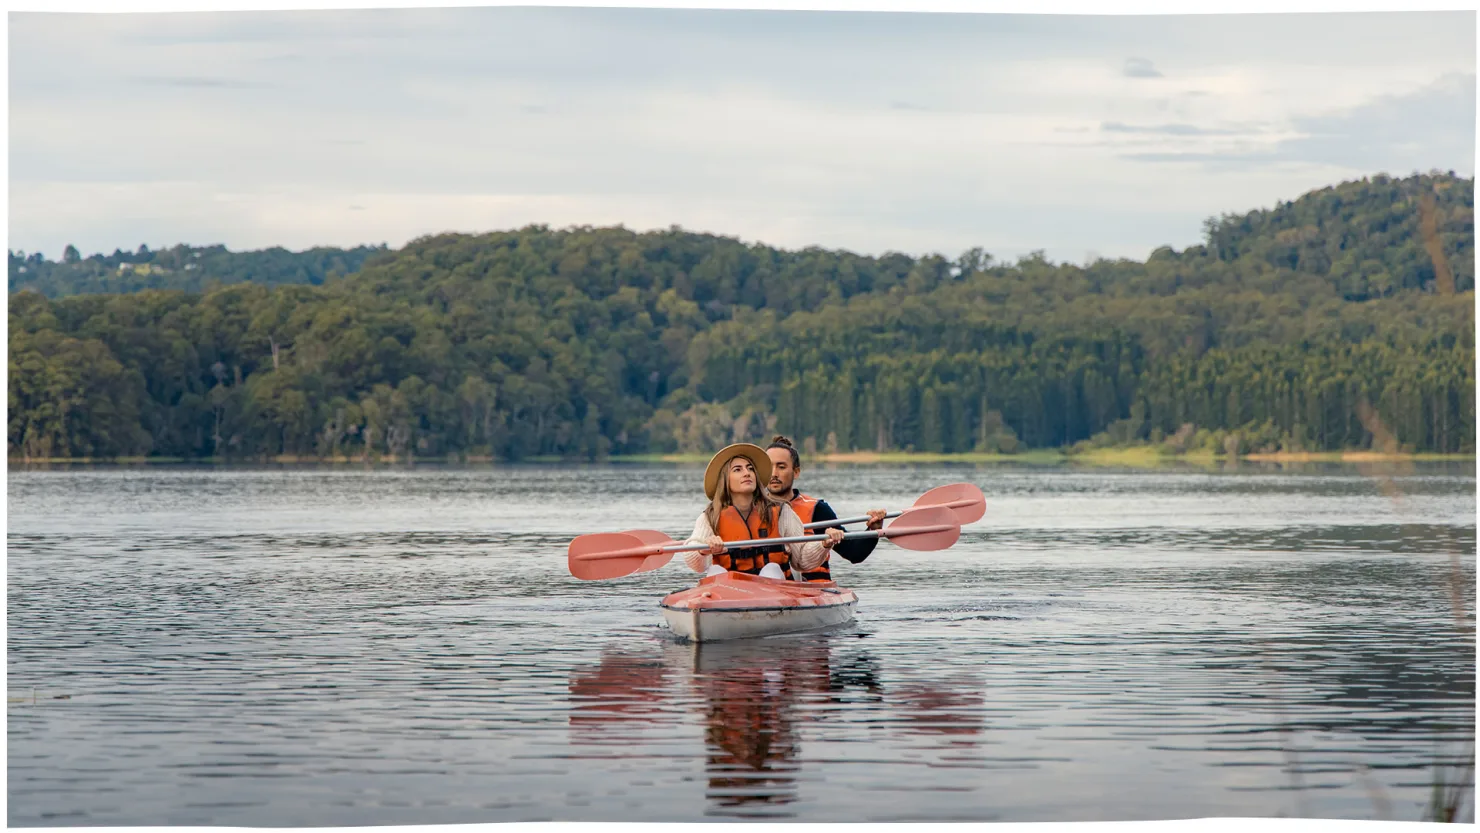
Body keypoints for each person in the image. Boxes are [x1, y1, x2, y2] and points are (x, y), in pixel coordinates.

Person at [682, 442, 837, 581]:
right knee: (715, 571)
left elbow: (801, 560)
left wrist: (824, 543)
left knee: (772, 569)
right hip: (730, 594)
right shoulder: (710, 516)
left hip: (775, 590)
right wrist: (703, 550)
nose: (747, 473)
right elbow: (695, 561)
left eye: (750, 468)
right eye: (738, 469)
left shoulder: (782, 511)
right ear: (726, 480)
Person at [765, 435, 887, 583]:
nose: (774, 474)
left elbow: (855, 553)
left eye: (781, 467)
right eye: (769, 467)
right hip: (769, 587)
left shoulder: (817, 510)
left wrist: (873, 531)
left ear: (796, 472)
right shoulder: (751, 510)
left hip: (812, 592)